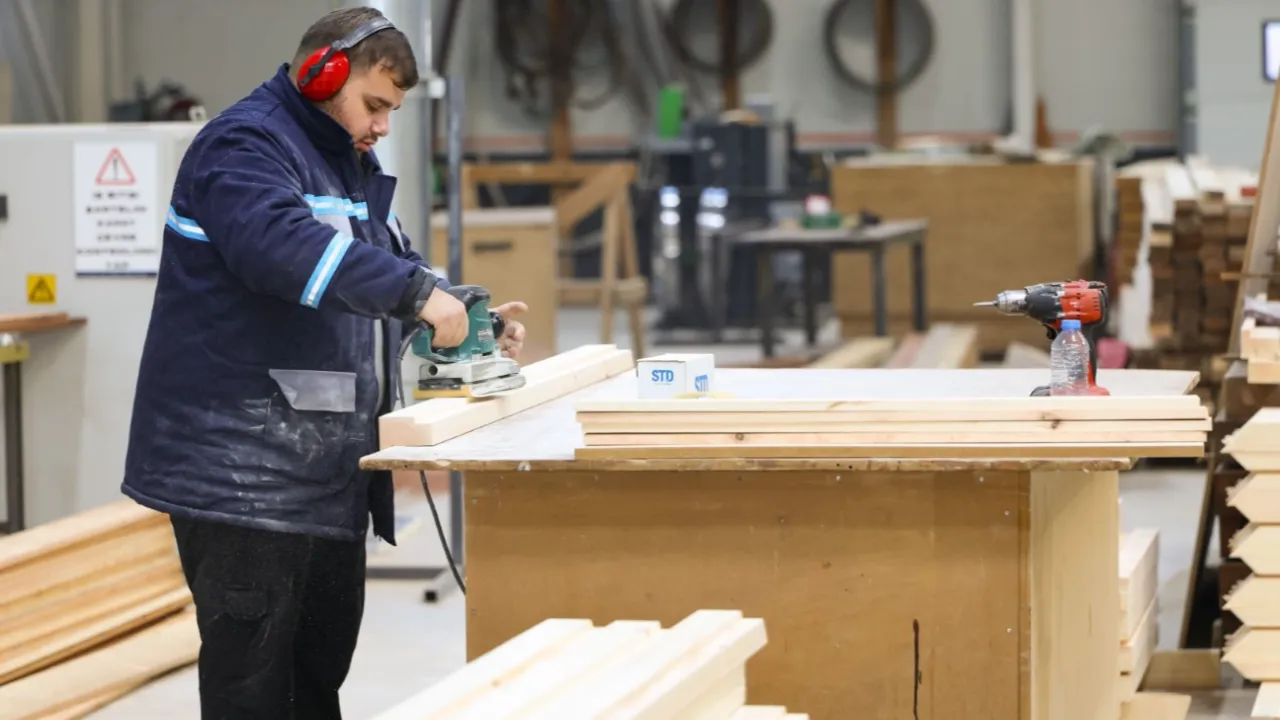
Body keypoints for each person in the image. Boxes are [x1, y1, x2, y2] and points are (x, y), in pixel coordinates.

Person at [120, 7, 526, 718]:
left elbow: (389, 271)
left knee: (315, 683)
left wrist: (467, 319)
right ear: (321, 74)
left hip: (325, 476)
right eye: (374, 105)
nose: (383, 126)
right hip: (242, 479)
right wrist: (418, 296)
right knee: (254, 694)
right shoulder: (242, 147)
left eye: (392, 111)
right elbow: (284, 249)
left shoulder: (350, 166)